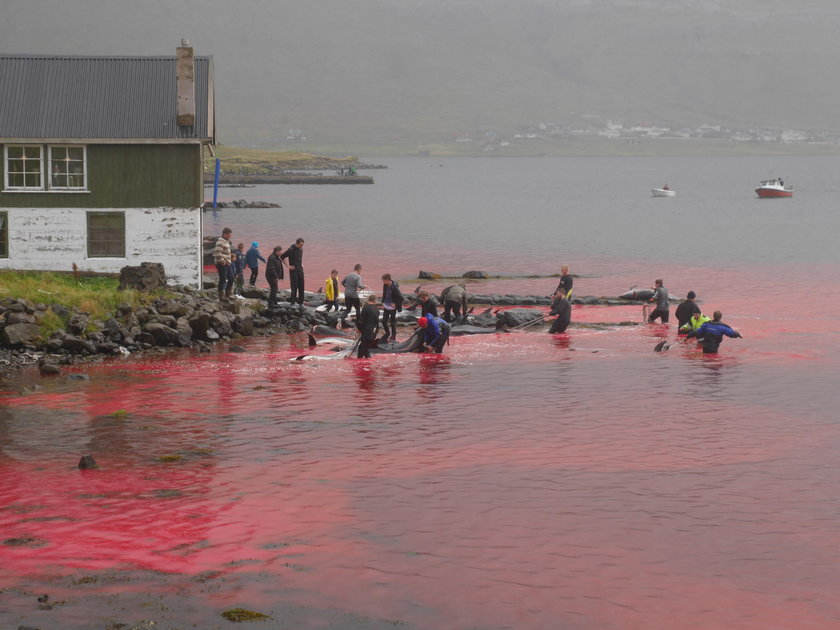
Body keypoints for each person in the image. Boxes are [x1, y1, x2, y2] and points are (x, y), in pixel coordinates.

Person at [281, 237, 305, 307]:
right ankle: (292, 303)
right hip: (293, 271)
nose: (301, 246)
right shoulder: (290, 250)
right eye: (300, 245)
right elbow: (282, 257)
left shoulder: (301, 249)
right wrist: (288, 266)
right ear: (297, 243)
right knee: (294, 287)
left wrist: (302, 263)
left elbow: (300, 258)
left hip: (300, 270)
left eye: (302, 245)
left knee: (301, 287)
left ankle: (301, 303)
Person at [356, 294, 380, 359]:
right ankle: (367, 358)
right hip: (373, 330)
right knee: (366, 346)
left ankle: (360, 359)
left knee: (363, 347)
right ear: (374, 301)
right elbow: (377, 322)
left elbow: (361, 320)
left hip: (366, 329)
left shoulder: (365, 308)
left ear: (368, 300)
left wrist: (358, 328)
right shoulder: (377, 310)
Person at [381, 273, 403, 341]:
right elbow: (384, 293)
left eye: (384, 280)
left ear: (388, 280)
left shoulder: (395, 288)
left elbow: (401, 298)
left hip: (392, 308)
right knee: (384, 321)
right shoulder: (385, 285)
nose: (383, 282)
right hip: (386, 306)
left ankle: (393, 334)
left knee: (392, 322)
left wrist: (396, 304)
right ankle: (387, 332)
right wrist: (382, 302)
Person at [214, 227, 234, 301]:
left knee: (231, 278)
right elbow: (217, 252)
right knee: (223, 279)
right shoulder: (220, 241)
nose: (230, 236)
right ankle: (221, 295)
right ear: (225, 234)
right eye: (229, 235)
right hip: (222, 263)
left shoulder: (226, 241)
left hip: (227, 263)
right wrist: (222, 261)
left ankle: (228, 294)